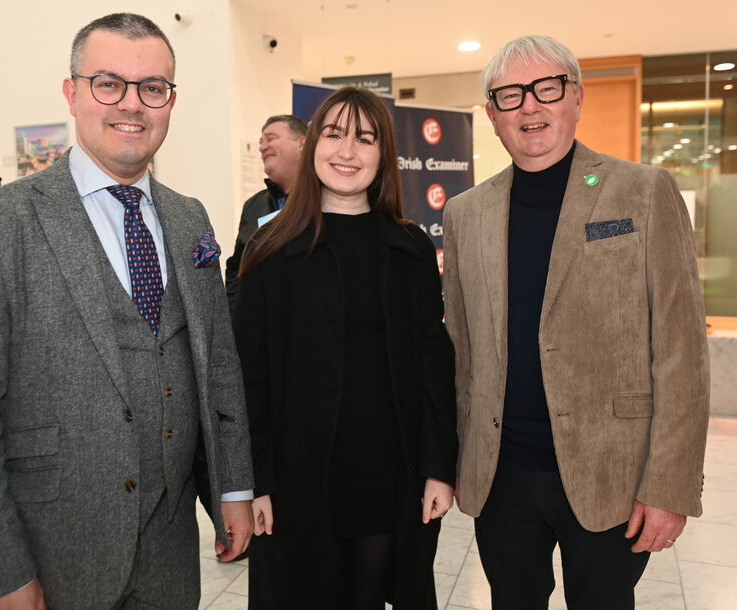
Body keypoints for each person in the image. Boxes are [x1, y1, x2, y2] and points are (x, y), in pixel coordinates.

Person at [0, 12, 253, 610]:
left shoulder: (190, 218)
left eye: (152, 88)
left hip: (170, 553)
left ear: (170, 101)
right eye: (109, 83)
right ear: (73, 92)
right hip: (53, 550)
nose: (131, 104)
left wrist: (233, 485)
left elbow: (218, 367)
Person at [442, 35, 710, 610]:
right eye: (510, 96)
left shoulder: (643, 192)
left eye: (547, 88)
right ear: (491, 115)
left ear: (576, 97)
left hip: (611, 472)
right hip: (501, 475)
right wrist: (456, 458)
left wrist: (669, 485)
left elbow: (682, 351)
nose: (530, 107)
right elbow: (459, 349)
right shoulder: (465, 213)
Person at [233, 86, 457, 610]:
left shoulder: (411, 250)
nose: (347, 152)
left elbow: (433, 366)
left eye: (365, 138)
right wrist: (254, 483)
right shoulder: (269, 251)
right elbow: (248, 379)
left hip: (389, 479)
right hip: (295, 483)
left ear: (384, 156)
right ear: (313, 147)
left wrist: (439, 468)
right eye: (333, 135)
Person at [224, 114, 306, 312]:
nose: (262, 147)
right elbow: (237, 269)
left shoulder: (327, 201)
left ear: (302, 143)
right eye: (261, 142)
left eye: (271, 138)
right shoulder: (254, 205)